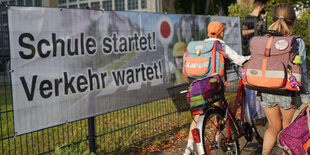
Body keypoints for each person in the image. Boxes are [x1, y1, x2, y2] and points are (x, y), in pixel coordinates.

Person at [183, 20, 250, 155]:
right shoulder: (219, 45)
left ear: (208, 32)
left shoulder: (200, 46)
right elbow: (239, 60)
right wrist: (251, 58)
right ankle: (220, 137)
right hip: (213, 85)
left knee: (198, 114)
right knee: (219, 108)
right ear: (221, 33)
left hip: (197, 86)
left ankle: (188, 148)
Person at [258, 3, 310, 155]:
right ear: (294, 21)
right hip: (287, 91)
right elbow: (302, 71)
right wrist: (306, 97)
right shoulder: (296, 42)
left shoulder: (265, 39)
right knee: (287, 129)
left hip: (265, 89)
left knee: (273, 126)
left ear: (273, 19)